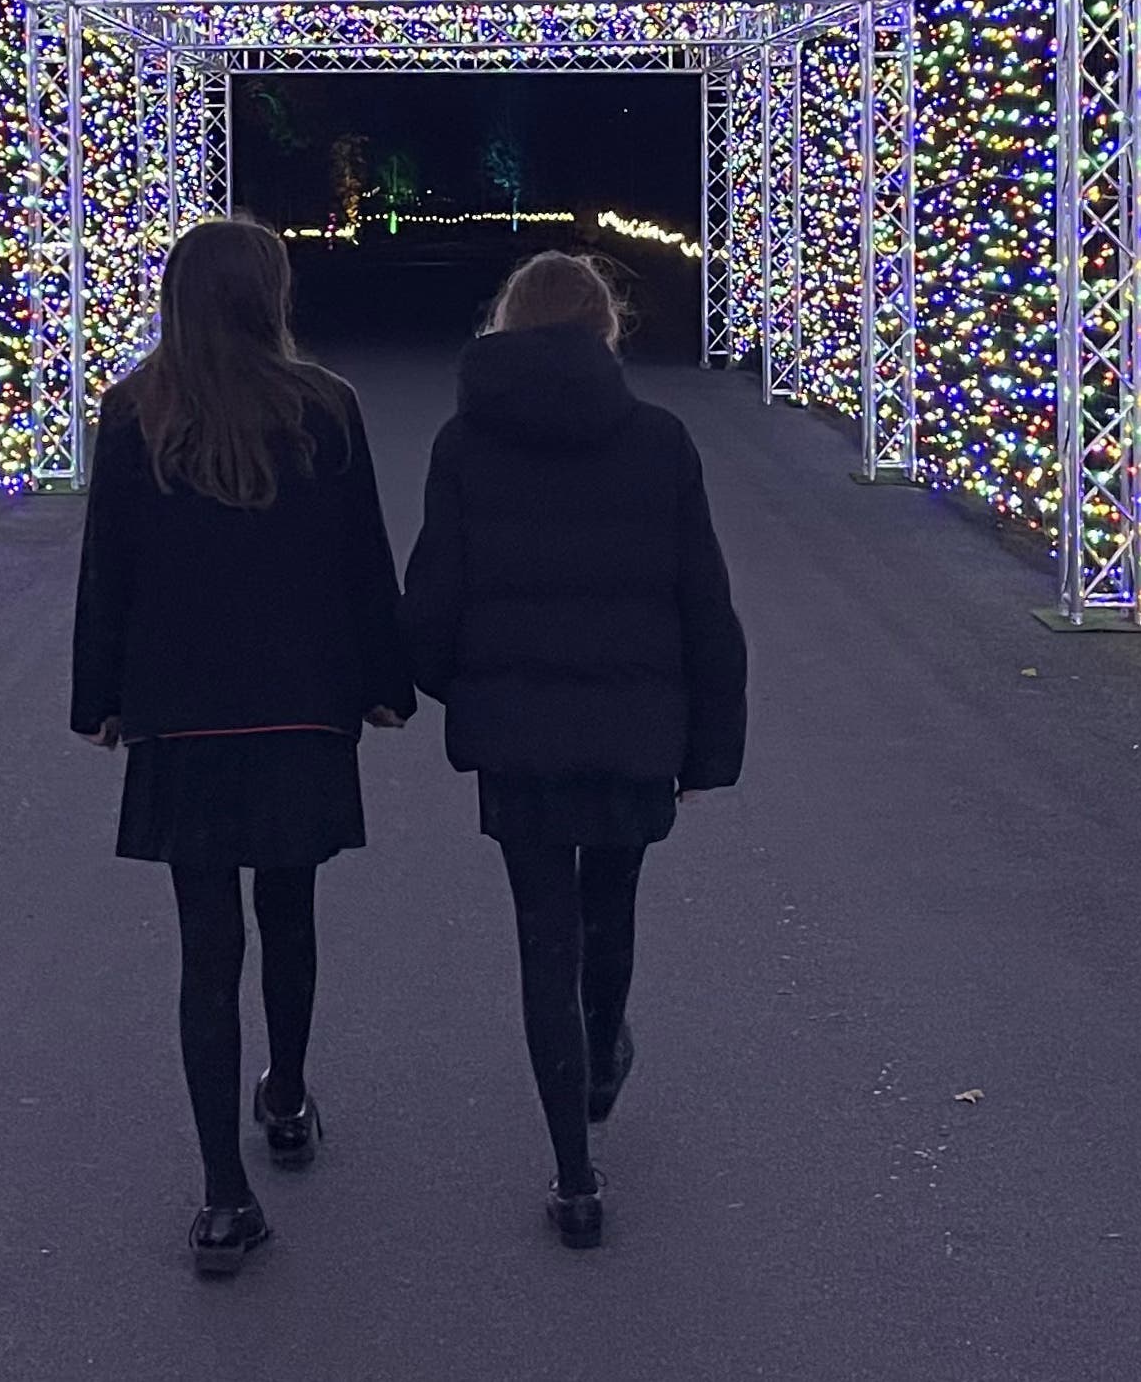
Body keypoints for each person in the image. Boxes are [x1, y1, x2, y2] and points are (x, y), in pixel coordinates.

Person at [70, 218, 416, 1277]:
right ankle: (288, 1093)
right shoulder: (325, 408)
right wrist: (384, 686)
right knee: (291, 912)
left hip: (182, 713)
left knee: (205, 949)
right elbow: (361, 560)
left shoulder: (136, 413)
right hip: (299, 705)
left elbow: (109, 570)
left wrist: (102, 699)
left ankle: (223, 1195)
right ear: (269, 296)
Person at [400, 250, 748, 1250]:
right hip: (636, 730)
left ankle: (574, 1175)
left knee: (541, 932)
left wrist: (455, 687)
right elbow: (704, 606)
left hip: (520, 738)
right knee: (613, 901)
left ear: (503, 324)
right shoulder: (659, 440)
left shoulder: (464, 445)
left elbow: (433, 604)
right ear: (608, 329)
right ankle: (601, 1063)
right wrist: (706, 749)